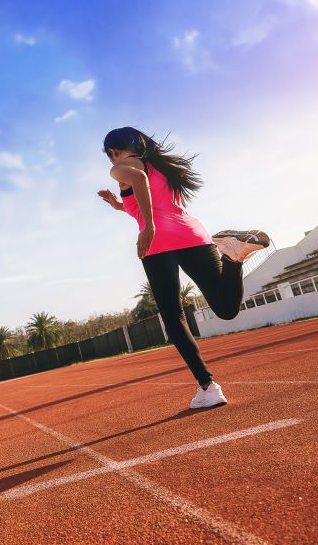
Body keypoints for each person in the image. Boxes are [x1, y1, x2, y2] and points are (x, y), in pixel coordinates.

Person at [96, 126, 270, 409]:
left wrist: (149, 227)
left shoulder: (122, 168)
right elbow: (143, 197)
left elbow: (138, 179)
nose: (111, 162)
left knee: (174, 317)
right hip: (192, 235)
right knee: (226, 308)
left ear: (113, 152)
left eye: (109, 156)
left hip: (158, 244)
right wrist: (117, 204)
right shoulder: (160, 167)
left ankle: (208, 386)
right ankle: (232, 256)